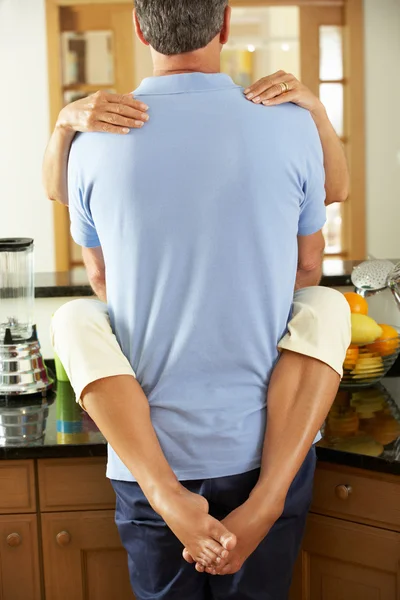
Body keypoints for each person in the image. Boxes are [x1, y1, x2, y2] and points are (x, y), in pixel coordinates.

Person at [44, 1, 351, 598]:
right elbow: (309, 267)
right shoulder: (287, 123)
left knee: (76, 317)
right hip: (266, 444)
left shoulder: (93, 136)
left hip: (151, 452)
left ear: (139, 28)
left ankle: (166, 493)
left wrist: (64, 127)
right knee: (328, 307)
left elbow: (102, 279)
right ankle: (263, 506)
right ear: (225, 24)